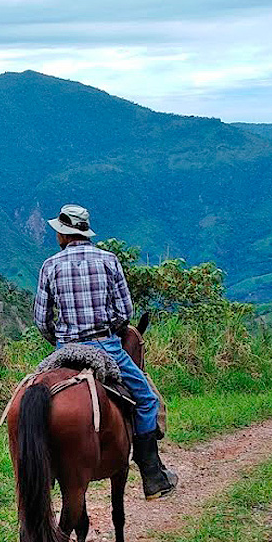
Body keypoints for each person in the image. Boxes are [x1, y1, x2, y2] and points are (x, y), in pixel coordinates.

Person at [33, 203, 177, 500]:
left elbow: (41, 319)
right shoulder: (109, 260)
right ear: (85, 233)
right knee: (148, 400)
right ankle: (152, 477)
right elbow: (125, 311)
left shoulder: (50, 265)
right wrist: (107, 329)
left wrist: (59, 341)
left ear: (63, 235)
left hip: (65, 350)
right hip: (106, 346)